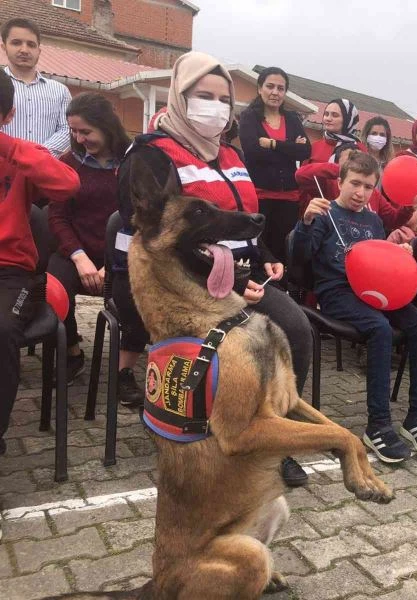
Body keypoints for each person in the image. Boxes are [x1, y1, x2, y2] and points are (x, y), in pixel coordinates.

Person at [114, 51, 313, 487]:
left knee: (295, 330)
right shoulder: (150, 157)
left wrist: (263, 259)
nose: (217, 107)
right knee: (242, 343)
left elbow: (242, 221)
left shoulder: (227, 154)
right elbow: (154, 247)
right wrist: (232, 284)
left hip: (237, 276)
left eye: (224, 99)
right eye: (204, 96)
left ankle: (269, 435)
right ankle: (227, 433)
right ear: (180, 97)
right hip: (181, 288)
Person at [292, 152, 417, 464]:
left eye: (369, 187)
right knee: (380, 328)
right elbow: (300, 259)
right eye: (355, 184)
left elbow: (377, 260)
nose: (361, 193)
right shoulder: (322, 213)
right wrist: (305, 222)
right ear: (340, 182)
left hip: (374, 290)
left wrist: (398, 253)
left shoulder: (373, 219)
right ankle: (378, 426)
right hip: (337, 293)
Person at [0, 69, 80, 456]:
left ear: (7, 116)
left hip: (13, 274)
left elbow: (68, 185)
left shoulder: (19, 155)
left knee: (0, 332)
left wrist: (10, 147)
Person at [46, 93, 130, 384]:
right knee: (54, 285)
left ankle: (126, 365)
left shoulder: (132, 163)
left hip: (122, 253)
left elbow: (139, 220)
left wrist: (114, 261)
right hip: (76, 251)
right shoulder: (69, 162)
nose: (79, 138)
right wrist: (79, 257)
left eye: (86, 131)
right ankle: (71, 351)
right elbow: (57, 217)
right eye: (73, 131)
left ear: (106, 126)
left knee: (135, 287)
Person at [239, 67, 311, 264]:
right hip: (260, 195)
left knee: (283, 249)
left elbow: (305, 152)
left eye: (280, 88)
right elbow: (252, 152)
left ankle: (283, 288)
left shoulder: (292, 119)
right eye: (270, 86)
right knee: (258, 247)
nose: (275, 92)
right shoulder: (249, 117)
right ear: (259, 89)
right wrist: (289, 149)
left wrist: (272, 144)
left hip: (289, 197)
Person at [296, 144, 415, 235]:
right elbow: (301, 175)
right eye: (350, 160)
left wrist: (409, 206)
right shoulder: (328, 183)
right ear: (340, 183)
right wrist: (344, 171)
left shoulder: (373, 195)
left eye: (360, 159)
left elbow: (393, 220)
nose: (360, 193)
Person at [0, 19, 70, 157]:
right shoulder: (1, 87)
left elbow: (67, 129)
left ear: (39, 50)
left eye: (31, 45)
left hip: (44, 171)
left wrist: (37, 156)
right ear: (4, 47)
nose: (24, 50)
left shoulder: (60, 91)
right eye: (16, 43)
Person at [308, 98, 365, 164]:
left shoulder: (359, 150)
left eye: (335, 115)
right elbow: (301, 172)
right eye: (326, 114)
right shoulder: (314, 146)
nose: (328, 119)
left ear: (348, 120)